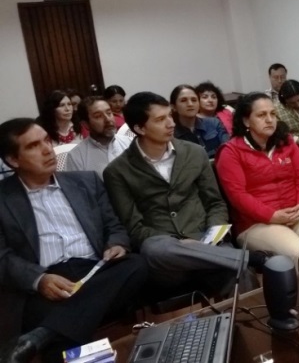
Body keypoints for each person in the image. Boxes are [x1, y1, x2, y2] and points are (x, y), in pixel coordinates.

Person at [0, 118, 147, 363]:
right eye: (34, 146)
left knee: (138, 265)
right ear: (13, 160)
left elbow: (113, 226)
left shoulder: (86, 181)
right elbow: (2, 256)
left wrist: (116, 243)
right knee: (52, 314)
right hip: (46, 280)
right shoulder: (4, 198)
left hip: (96, 270)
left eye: (47, 141)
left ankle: (42, 335)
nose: (47, 150)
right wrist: (39, 279)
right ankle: (52, 332)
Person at [103, 92, 265, 293]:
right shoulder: (118, 171)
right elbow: (134, 227)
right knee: (155, 249)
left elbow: (215, 202)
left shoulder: (194, 152)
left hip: (205, 238)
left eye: (170, 116)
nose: (171, 123)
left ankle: (243, 296)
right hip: (166, 254)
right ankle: (251, 258)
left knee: (240, 273)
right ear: (139, 128)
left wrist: (211, 234)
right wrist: (180, 244)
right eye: (160, 120)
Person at [215, 92, 299, 273]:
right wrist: (272, 215)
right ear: (246, 121)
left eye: (273, 114)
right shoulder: (231, 152)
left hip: (296, 212)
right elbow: (238, 196)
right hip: (256, 223)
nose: (269, 120)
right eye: (261, 115)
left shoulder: (286, 142)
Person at [65, 97, 132, 178]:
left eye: (109, 113)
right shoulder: (76, 156)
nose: (108, 119)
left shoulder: (130, 143)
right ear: (86, 124)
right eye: (98, 116)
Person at [170, 84, 229, 159]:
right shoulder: (171, 134)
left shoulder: (214, 123)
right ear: (174, 107)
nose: (190, 104)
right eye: (183, 100)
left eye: (194, 100)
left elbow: (228, 149)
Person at [275, 80, 299, 144]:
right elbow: (279, 133)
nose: (297, 104)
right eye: (292, 103)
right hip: (293, 144)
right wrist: (298, 140)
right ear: (285, 100)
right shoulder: (277, 110)